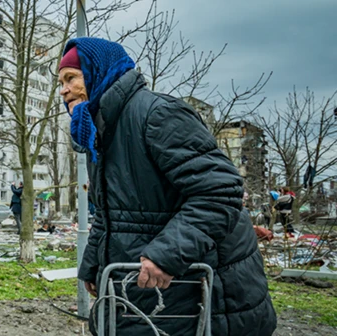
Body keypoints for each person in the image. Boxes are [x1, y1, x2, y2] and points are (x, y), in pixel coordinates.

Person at [58, 37, 276, 335]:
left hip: (204, 295)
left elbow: (219, 191)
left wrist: (166, 254)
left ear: (99, 71)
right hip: (151, 292)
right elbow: (110, 213)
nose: (63, 90)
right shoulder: (101, 132)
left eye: (71, 78)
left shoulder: (157, 114)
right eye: (61, 81)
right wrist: (93, 265)